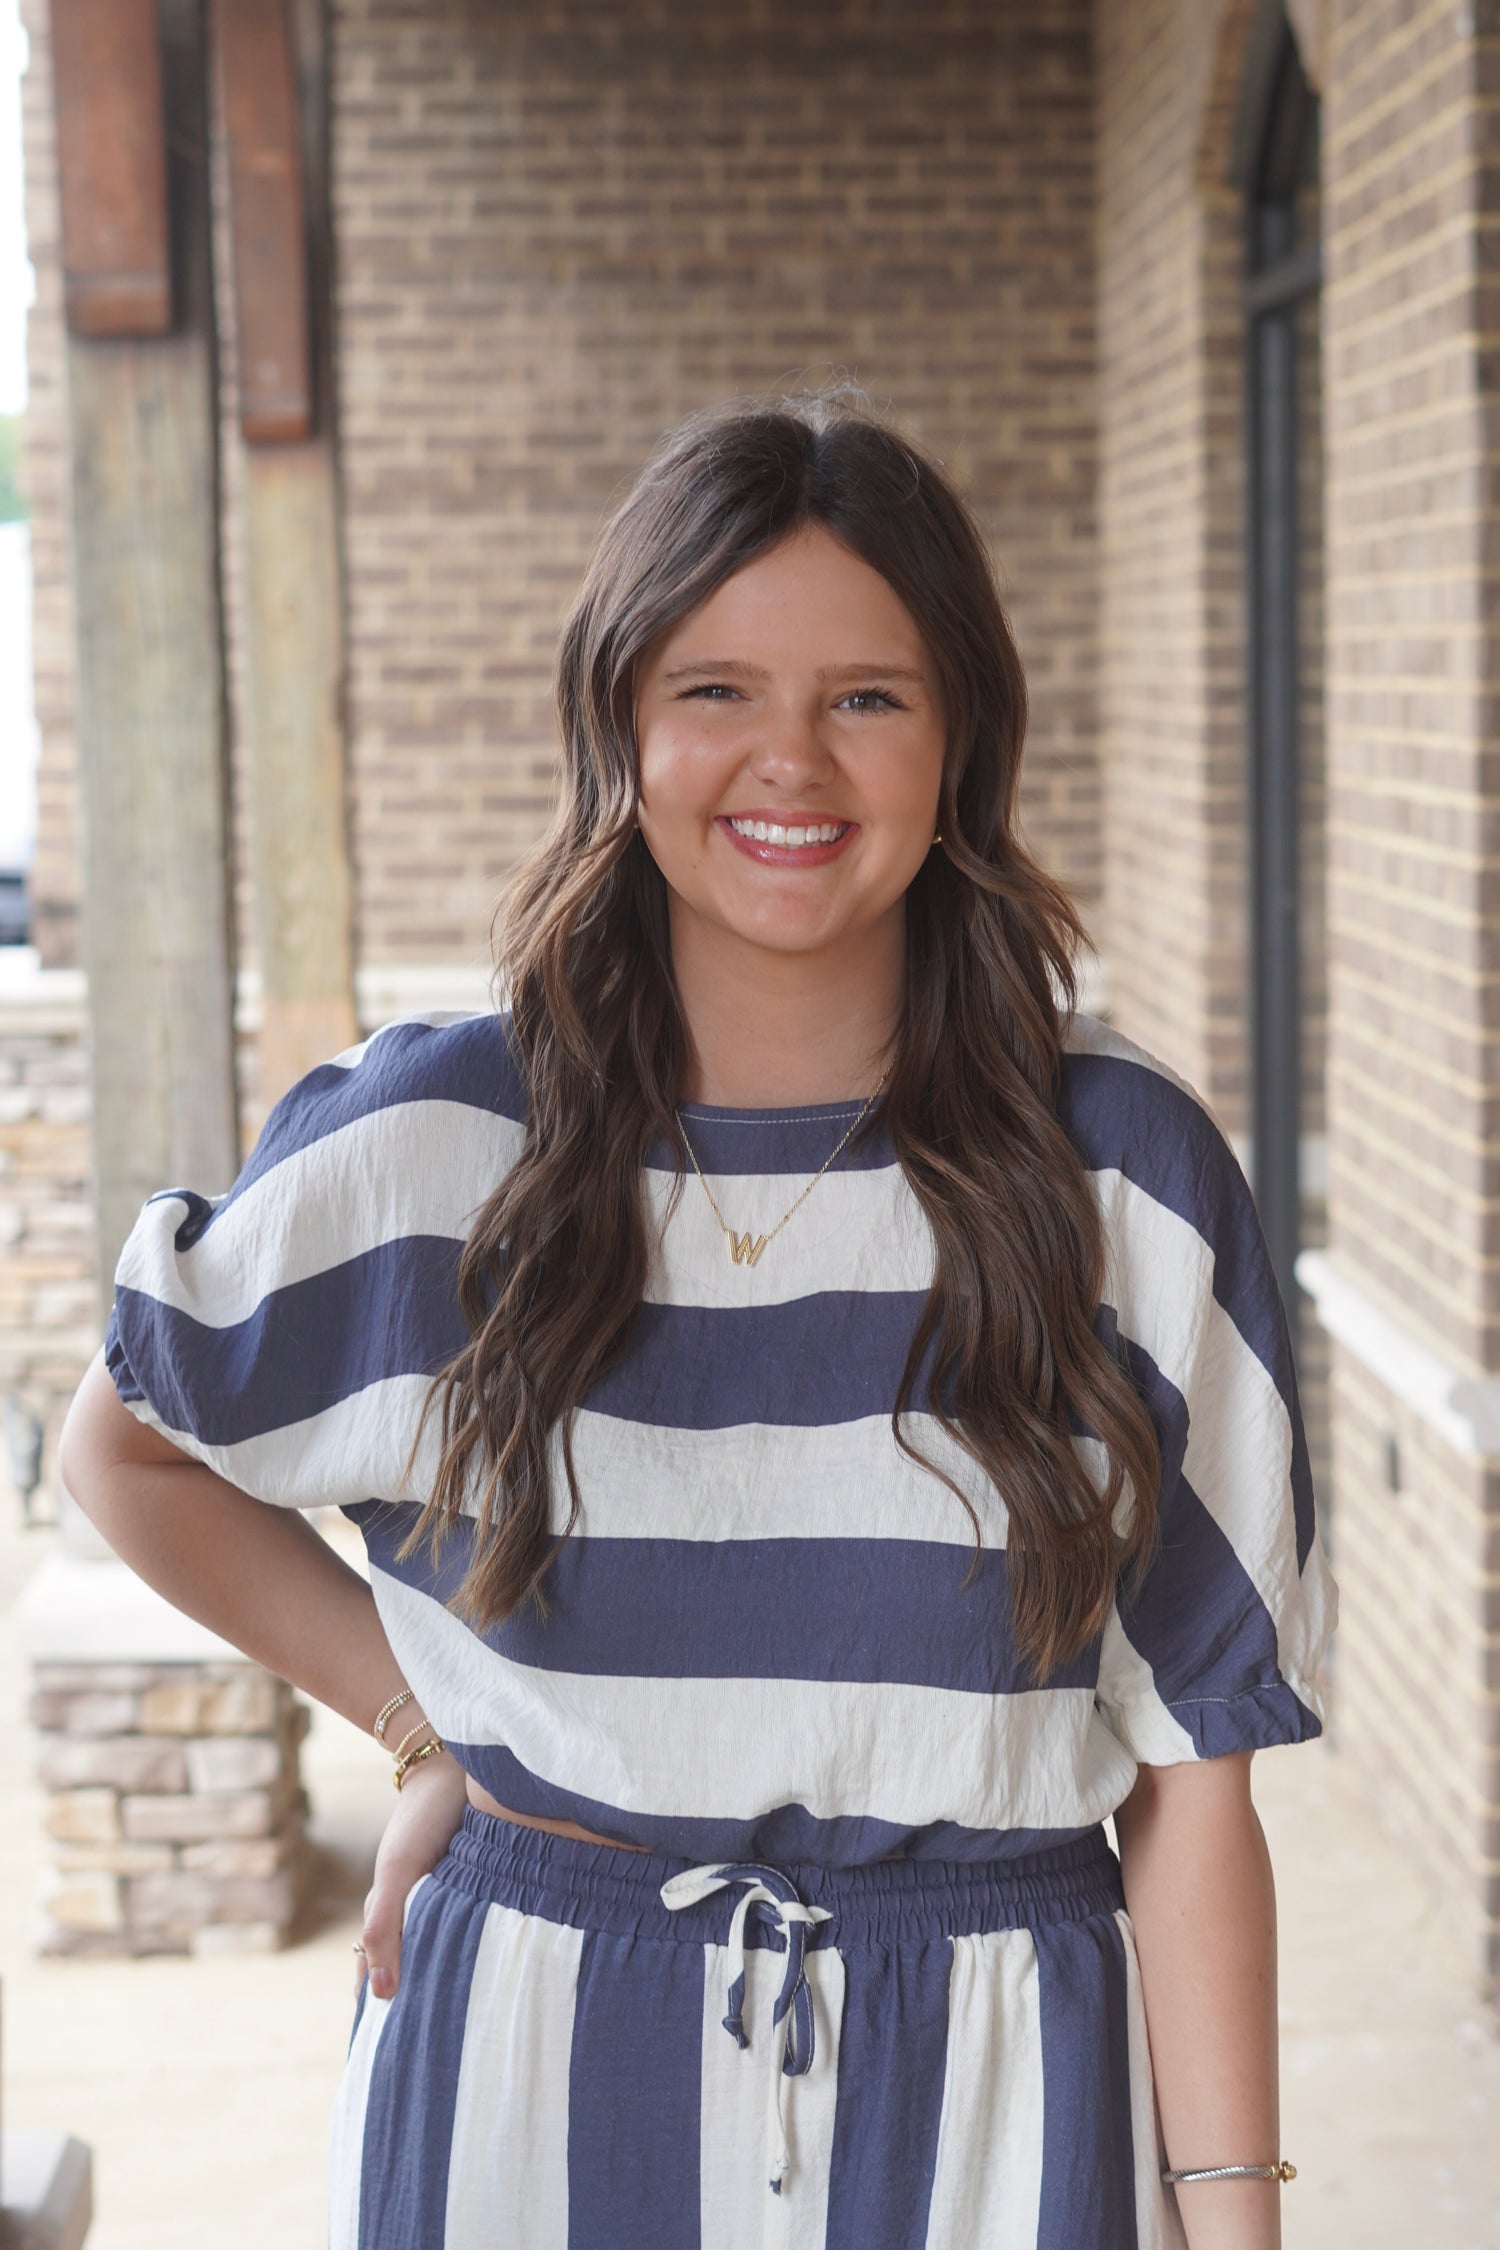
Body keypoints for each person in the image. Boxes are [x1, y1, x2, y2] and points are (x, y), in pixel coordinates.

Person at [61, 389, 1335, 2250]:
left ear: (961, 732)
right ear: (619, 724)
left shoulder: (1120, 1178)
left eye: (868, 696)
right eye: (717, 688)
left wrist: (1239, 2229)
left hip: (993, 2086)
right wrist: (429, 1731)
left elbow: (1195, 1791)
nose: (792, 762)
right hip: (534, 2074)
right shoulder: (436, 1144)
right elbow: (129, 1442)